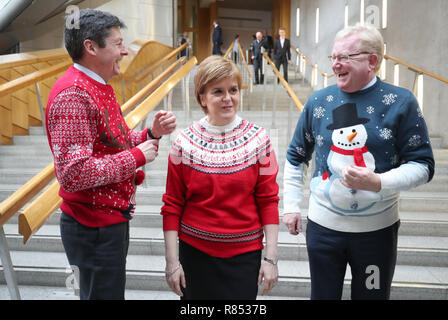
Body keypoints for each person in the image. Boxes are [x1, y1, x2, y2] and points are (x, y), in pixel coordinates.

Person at [283, 24, 434, 300]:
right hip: (323, 231)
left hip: (376, 235)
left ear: (372, 61)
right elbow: (295, 156)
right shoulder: (318, 102)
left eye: (345, 57)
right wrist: (291, 206)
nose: (336, 64)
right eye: (333, 58)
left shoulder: (401, 102)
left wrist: (379, 182)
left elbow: (423, 165)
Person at [45, 9, 177, 300]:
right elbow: (73, 173)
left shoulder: (95, 85)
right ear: (91, 47)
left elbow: (110, 141)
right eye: (118, 43)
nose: (125, 51)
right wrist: (137, 157)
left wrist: (149, 135)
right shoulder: (74, 95)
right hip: (92, 227)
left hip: (107, 221)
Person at [161, 55, 280, 300]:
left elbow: (268, 201)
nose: (228, 98)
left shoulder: (261, 140)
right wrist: (172, 263)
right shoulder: (182, 143)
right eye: (218, 91)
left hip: (244, 257)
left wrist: (271, 258)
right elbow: (172, 205)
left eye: (233, 90)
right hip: (195, 255)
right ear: (202, 98)